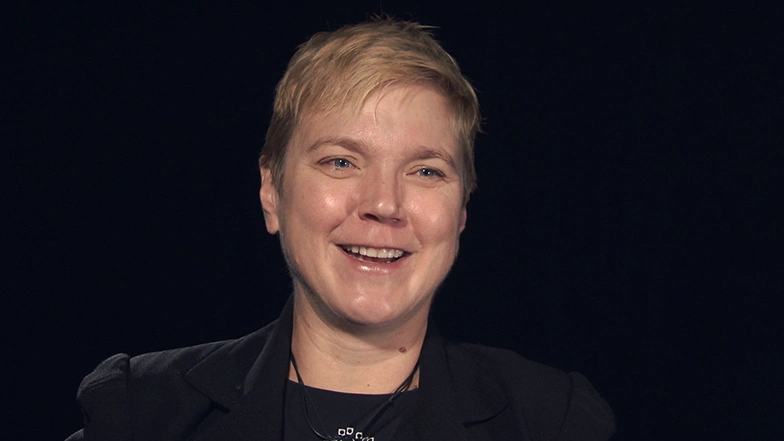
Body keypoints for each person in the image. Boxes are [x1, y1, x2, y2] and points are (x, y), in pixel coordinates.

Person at [66, 18, 615, 441]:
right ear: (271, 191)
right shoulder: (143, 411)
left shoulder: (550, 419)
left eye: (426, 171)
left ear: (462, 211)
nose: (383, 204)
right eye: (340, 162)